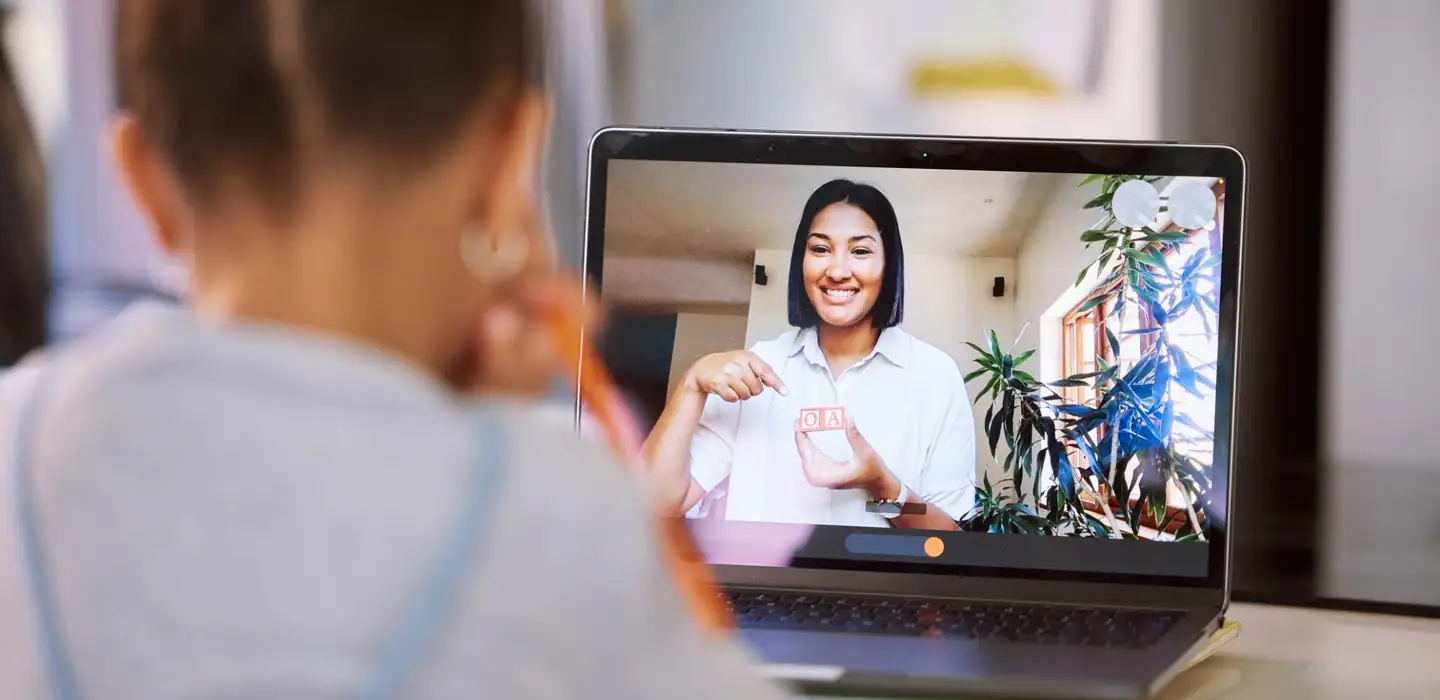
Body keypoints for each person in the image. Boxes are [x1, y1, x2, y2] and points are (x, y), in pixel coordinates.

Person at [0, 1, 791, 698]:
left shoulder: (15, 442)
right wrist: (493, 445)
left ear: (142, 182)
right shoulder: (559, 522)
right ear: (510, 156)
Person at [642, 179, 976, 531]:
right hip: (768, 584)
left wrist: (883, 485)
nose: (837, 271)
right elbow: (659, 504)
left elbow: (945, 535)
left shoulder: (934, 375)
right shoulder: (760, 367)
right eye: (820, 249)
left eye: (860, 252)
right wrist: (692, 384)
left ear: (888, 265)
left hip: (885, 587)